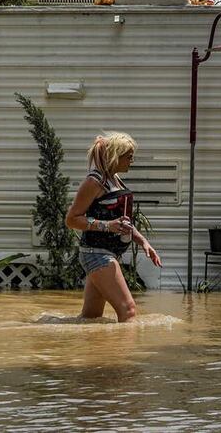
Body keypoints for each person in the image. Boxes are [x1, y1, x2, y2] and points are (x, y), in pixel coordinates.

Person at [65, 131, 162, 322]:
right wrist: (107, 226)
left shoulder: (114, 179)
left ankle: (93, 350)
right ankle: (124, 352)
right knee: (129, 310)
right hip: (97, 254)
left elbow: (122, 222)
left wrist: (144, 243)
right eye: (129, 157)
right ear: (115, 157)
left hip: (104, 253)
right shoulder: (94, 182)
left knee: (90, 318)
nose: (131, 161)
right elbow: (72, 219)